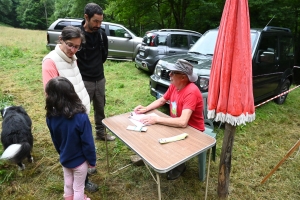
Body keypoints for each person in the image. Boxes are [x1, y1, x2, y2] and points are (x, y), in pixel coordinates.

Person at [42, 26, 98, 193]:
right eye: (70, 45)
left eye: (77, 46)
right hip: (69, 116)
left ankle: (82, 172)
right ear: (60, 40)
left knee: (84, 142)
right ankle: (82, 180)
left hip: (79, 109)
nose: (74, 50)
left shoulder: (72, 56)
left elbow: (76, 81)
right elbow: (51, 93)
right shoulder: (50, 62)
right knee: (75, 147)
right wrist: (72, 115)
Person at [134, 59, 205, 180]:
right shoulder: (175, 85)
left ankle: (179, 165)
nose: (169, 74)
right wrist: (146, 109)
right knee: (152, 130)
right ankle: (149, 156)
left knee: (156, 126)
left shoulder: (191, 92)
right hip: (178, 124)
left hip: (193, 130)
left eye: (173, 73)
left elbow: (183, 122)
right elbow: (162, 100)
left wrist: (156, 119)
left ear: (183, 77)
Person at [45, 77, 96, 200]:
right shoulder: (81, 118)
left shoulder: (50, 117)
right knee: (78, 187)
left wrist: (61, 153)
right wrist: (92, 161)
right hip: (80, 162)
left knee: (68, 184)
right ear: (71, 93)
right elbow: (88, 143)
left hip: (65, 159)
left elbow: (55, 139)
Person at [76, 3, 115, 141]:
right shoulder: (77, 35)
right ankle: (82, 136)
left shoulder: (101, 35)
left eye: (100, 21)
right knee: (82, 110)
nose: (98, 24)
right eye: (95, 21)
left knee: (100, 107)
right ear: (86, 17)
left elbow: (103, 56)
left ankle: (100, 133)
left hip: (100, 78)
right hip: (83, 80)